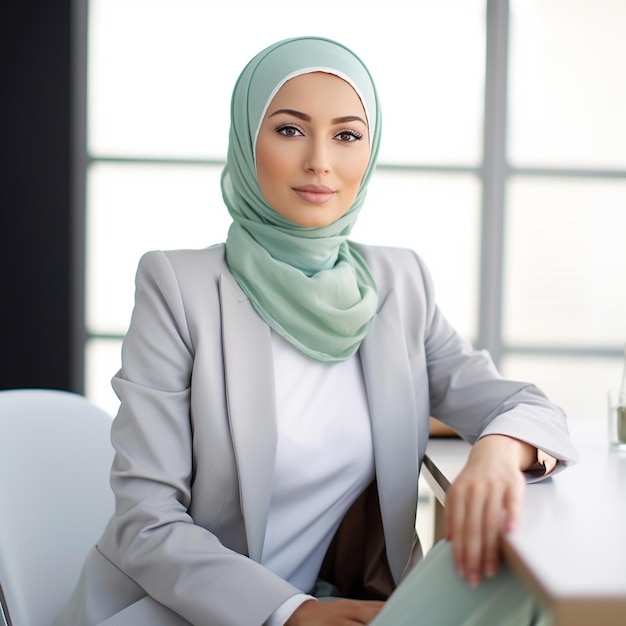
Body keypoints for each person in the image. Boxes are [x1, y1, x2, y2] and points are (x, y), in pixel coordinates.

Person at [56, 36, 578, 626]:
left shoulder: (398, 283)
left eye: (348, 135)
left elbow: (525, 405)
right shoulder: (178, 286)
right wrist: (289, 612)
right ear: (246, 139)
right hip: (175, 610)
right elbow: (145, 521)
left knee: (526, 602)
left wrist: (497, 453)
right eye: (289, 129)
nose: (321, 162)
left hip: (336, 602)